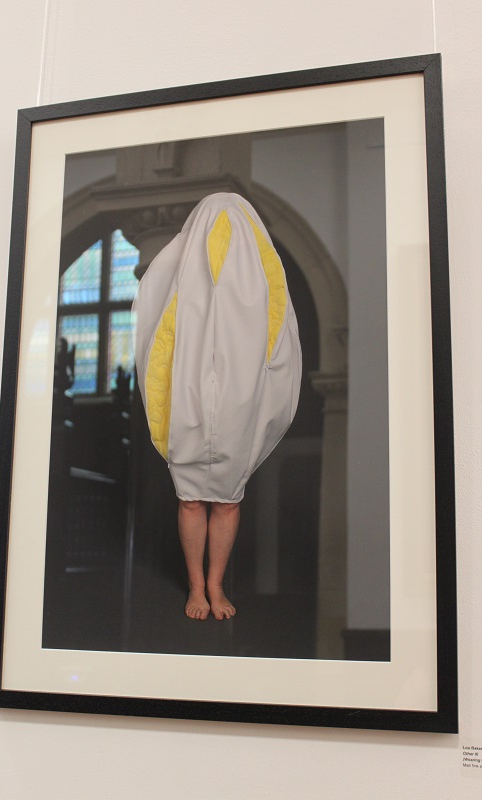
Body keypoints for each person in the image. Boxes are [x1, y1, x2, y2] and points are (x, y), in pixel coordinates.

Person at [133, 193, 301, 620]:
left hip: (237, 400)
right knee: (191, 497)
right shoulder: (181, 277)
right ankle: (196, 585)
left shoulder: (258, 283)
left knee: (227, 498)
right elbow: (159, 332)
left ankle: (215, 584)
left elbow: (276, 334)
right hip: (189, 396)